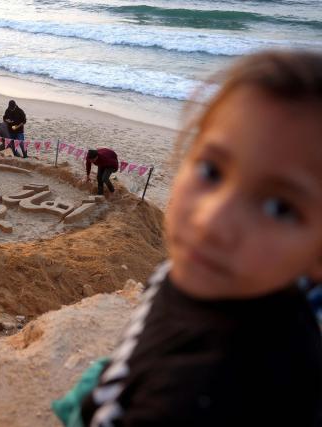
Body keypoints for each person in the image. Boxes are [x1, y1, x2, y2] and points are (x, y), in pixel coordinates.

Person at [55, 51, 322, 426]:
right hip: (119, 387)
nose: (211, 221)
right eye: (212, 170)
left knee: (105, 182)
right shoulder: (183, 273)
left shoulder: (195, 395)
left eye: (279, 207)